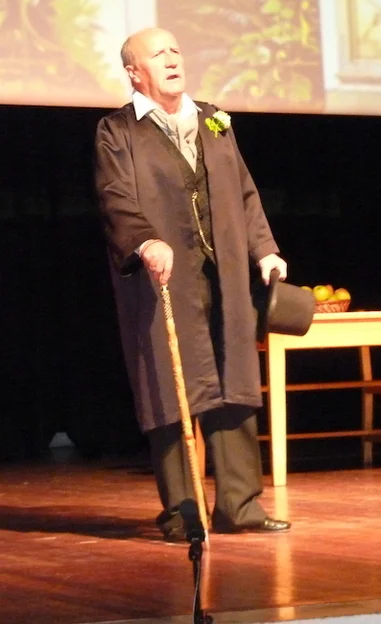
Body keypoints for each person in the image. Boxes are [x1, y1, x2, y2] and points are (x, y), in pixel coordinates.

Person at [94, 28, 291, 538]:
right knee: (170, 387)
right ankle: (184, 514)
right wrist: (144, 241)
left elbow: (244, 192)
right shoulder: (118, 130)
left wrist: (264, 250)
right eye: (158, 54)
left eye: (176, 50)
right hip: (162, 277)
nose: (171, 59)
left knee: (234, 383)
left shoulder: (213, 119)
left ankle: (240, 506)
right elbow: (116, 195)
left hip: (223, 271)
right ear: (134, 72)